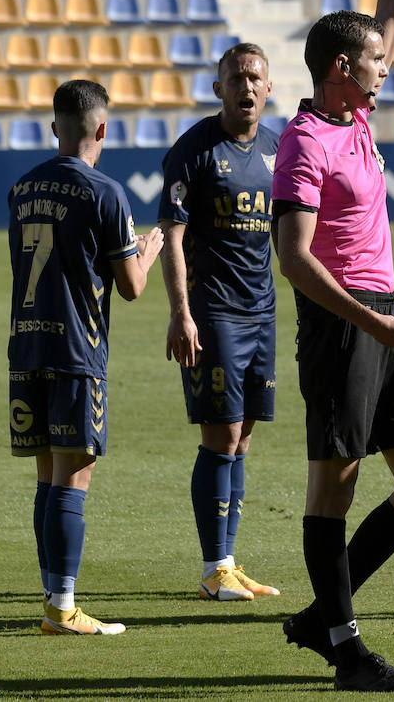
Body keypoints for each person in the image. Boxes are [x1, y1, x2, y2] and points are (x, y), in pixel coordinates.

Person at [271, 0, 394, 694]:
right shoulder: (305, 142)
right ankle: (343, 646)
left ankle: (318, 614)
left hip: (384, 316)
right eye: (373, 60)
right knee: (333, 485)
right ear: (342, 67)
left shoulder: (356, 113)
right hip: (344, 322)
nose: (386, 65)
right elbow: (295, 259)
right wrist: (376, 325)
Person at [7, 78, 164, 635]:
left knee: (48, 476)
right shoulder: (105, 192)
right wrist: (146, 251)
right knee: (74, 477)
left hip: (26, 346)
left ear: (55, 128)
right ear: (102, 128)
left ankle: (54, 597)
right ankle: (62, 606)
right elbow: (131, 287)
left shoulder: (22, 189)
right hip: (77, 351)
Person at [158, 43, 281, 603]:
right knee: (221, 435)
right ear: (218, 89)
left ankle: (229, 562)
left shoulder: (279, 150)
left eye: (254, 77)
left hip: (263, 311)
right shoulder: (193, 151)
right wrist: (181, 313)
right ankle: (213, 567)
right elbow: (173, 239)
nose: (246, 87)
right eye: (236, 78)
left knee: (245, 434)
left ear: (268, 87)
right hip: (215, 312)